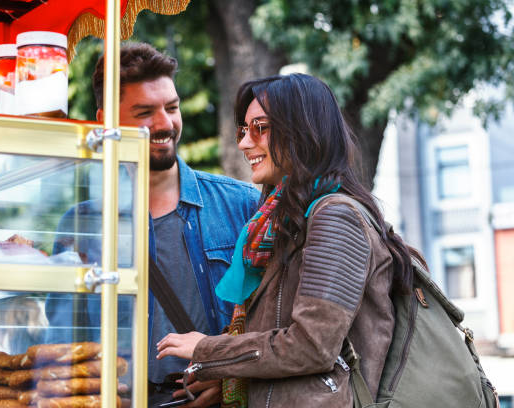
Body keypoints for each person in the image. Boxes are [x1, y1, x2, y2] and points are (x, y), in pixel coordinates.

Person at [156, 73, 416, 407]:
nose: (244, 143)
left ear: (301, 131)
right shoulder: (279, 225)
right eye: (242, 130)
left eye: (259, 128)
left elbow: (312, 345)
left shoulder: (335, 217)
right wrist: (225, 375)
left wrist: (207, 349)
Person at [45, 43, 260, 407]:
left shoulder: (241, 205)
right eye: (145, 112)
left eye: (172, 108)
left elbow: (276, 323)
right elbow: (64, 342)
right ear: (105, 122)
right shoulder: (80, 223)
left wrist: (230, 373)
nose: (165, 124)